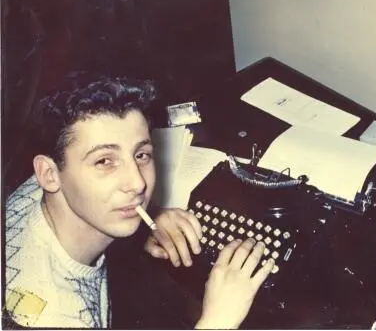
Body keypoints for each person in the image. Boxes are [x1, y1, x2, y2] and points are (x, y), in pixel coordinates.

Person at [4, 76, 275, 328]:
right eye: (104, 161)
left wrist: (148, 218)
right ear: (49, 174)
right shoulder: (57, 316)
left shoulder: (38, 188)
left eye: (141, 155)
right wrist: (217, 321)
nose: (137, 183)